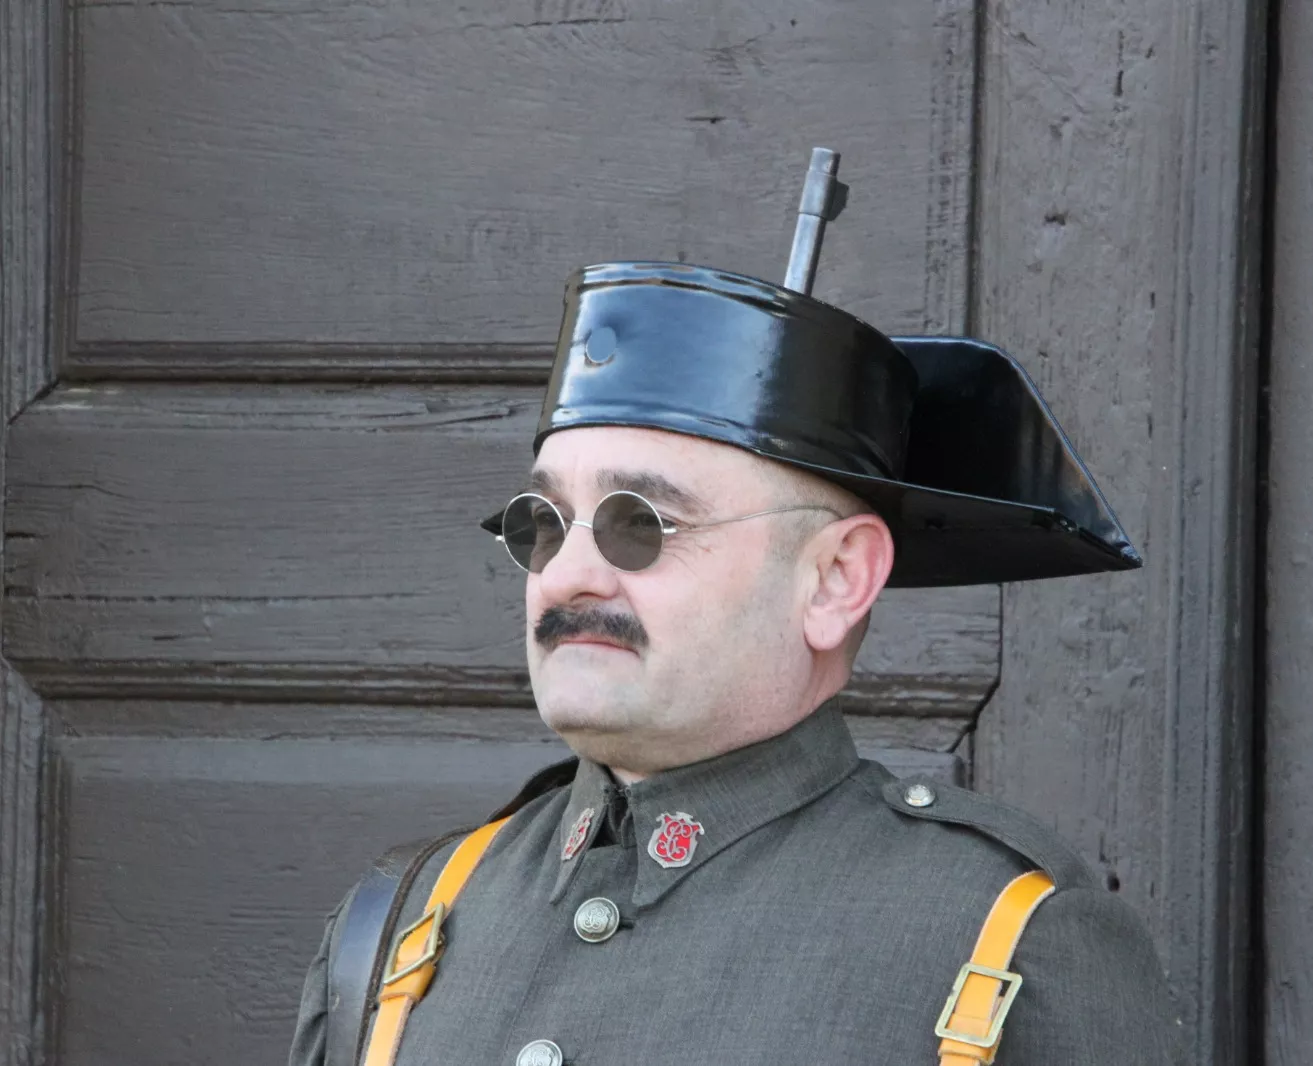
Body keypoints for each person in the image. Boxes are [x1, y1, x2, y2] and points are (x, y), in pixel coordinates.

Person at [287, 152, 1183, 1066]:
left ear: (836, 579)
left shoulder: (1004, 938)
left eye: (642, 524)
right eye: (543, 523)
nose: (567, 577)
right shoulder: (408, 916)